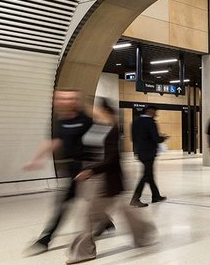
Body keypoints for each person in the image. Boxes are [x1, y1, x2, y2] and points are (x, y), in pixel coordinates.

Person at [66, 99, 156, 264]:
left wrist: (91, 170)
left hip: (105, 180)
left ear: (105, 111)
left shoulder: (113, 130)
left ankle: (84, 252)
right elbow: (86, 151)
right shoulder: (96, 128)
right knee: (123, 210)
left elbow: (112, 158)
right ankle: (144, 232)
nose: (93, 113)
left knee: (88, 215)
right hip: (92, 180)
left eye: (96, 110)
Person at [24, 89, 94, 254]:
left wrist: (92, 167)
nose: (65, 101)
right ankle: (105, 223)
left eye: (69, 98)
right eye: (61, 98)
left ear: (76, 101)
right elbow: (55, 141)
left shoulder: (86, 119)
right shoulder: (60, 120)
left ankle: (46, 238)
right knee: (69, 202)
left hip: (87, 167)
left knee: (70, 203)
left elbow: (98, 142)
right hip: (72, 168)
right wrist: (36, 158)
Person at [130, 107, 167, 206]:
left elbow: (132, 138)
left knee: (149, 174)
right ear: (149, 111)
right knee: (146, 175)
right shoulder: (150, 122)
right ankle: (135, 198)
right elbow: (156, 138)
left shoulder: (135, 121)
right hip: (149, 152)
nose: (156, 115)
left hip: (140, 152)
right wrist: (163, 138)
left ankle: (156, 196)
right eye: (155, 112)